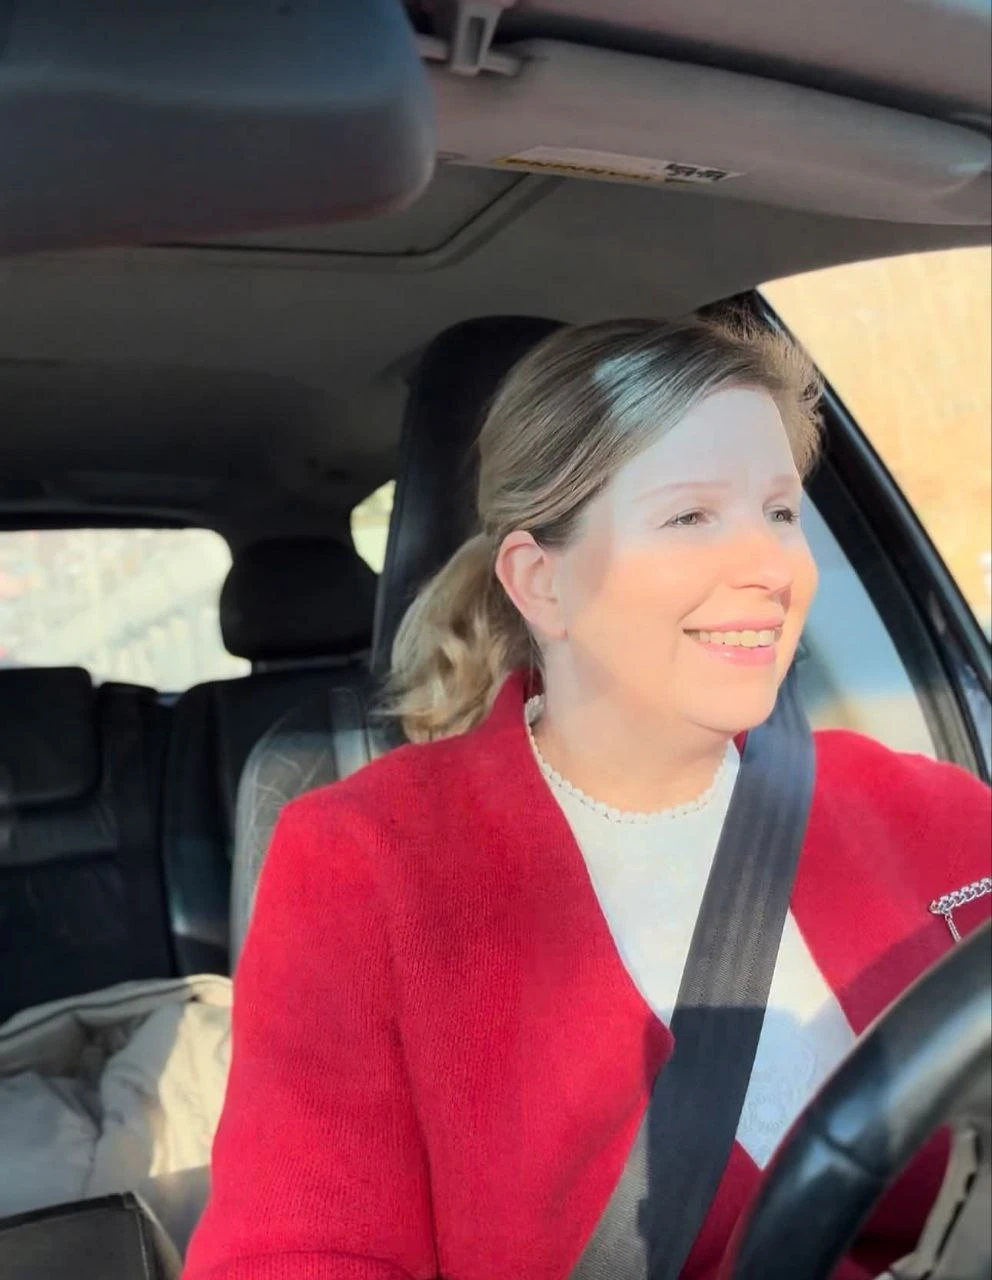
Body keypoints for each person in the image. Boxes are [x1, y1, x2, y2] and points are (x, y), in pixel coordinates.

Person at [185, 318, 991, 1280]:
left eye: (780, 511)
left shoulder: (925, 806)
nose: (773, 567)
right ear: (542, 584)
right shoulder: (363, 862)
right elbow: (297, 1255)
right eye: (690, 517)